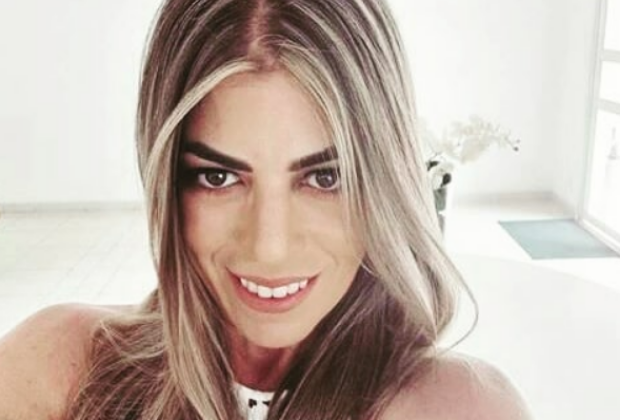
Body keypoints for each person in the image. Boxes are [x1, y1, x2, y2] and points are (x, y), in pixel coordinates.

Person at [0, 0, 533, 419]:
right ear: (167, 183)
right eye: (218, 177)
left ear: (384, 180)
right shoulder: (61, 368)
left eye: (324, 178)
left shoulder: (462, 407)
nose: (269, 248)